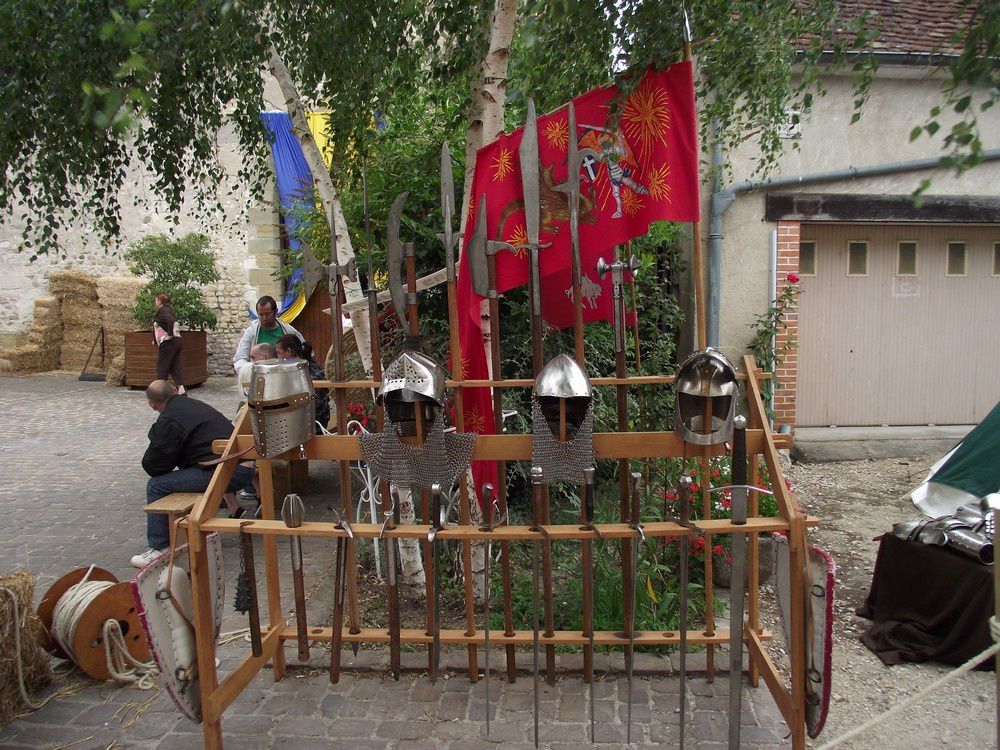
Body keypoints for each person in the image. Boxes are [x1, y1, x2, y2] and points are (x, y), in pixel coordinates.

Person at [131, 380, 254, 568]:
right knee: (178, 477)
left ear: (152, 404)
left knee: (156, 485)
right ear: (174, 391)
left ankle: (160, 547)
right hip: (238, 465)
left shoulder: (169, 419)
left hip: (227, 470)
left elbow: (154, 465)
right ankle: (178, 536)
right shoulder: (192, 404)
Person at [275, 334, 331, 433]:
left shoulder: (312, 371)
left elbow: (316, 405)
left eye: (279, 353)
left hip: (315, 424)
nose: (277, 358)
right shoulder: (292, 370)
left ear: (289, 351)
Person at [233, 295, 303, 373]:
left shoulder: (289, 331)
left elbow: (304, 352)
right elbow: (240, 359)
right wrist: (251, 371)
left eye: (267, 314)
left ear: (276, 311)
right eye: (261, 314)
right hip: (259, 378)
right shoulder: (251, 332)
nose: (264, 318)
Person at [153, 292, 185, 395]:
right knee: (174, 367)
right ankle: (181, 391)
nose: (155, 301)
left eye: (156, 299)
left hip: (169, 342)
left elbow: (170, 321)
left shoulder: (163, 311)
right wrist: (155, 339)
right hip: (177, 342)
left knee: (161, 367)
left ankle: (161, 392)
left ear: (160, 300)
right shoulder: (170, 310)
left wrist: (170, 335)